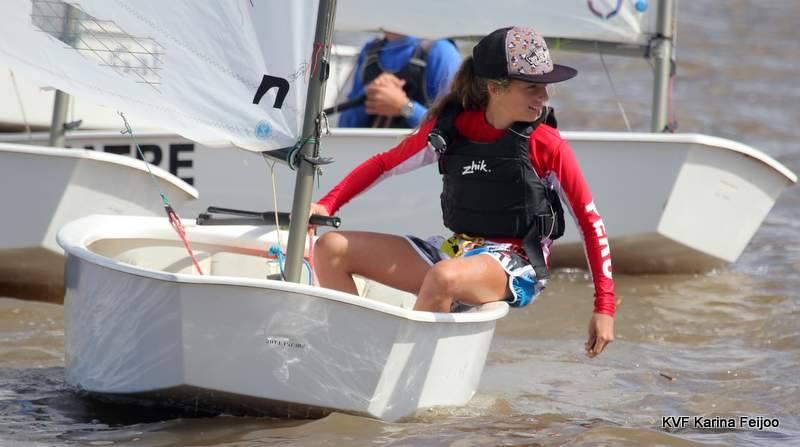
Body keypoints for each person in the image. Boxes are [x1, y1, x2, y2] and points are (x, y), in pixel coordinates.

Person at [311, 26, 615, 358]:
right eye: (532, 87)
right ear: (494, 88)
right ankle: (351, 357)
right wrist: (327, 204)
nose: (543, 97)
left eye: (546, 87)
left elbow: (590, 222)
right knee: (330, 248)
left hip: (516, 264)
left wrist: (604, 306)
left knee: (444, 277)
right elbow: (385, 164)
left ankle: (403, 368)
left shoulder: (547, 145)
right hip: (457, 250)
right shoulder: (451, 128)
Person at [337, 31, 461, 129]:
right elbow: (345, 125)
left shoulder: (442, 52)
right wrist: (373, 93)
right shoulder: (369, 51)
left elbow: (454, 128)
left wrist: (405, 107)